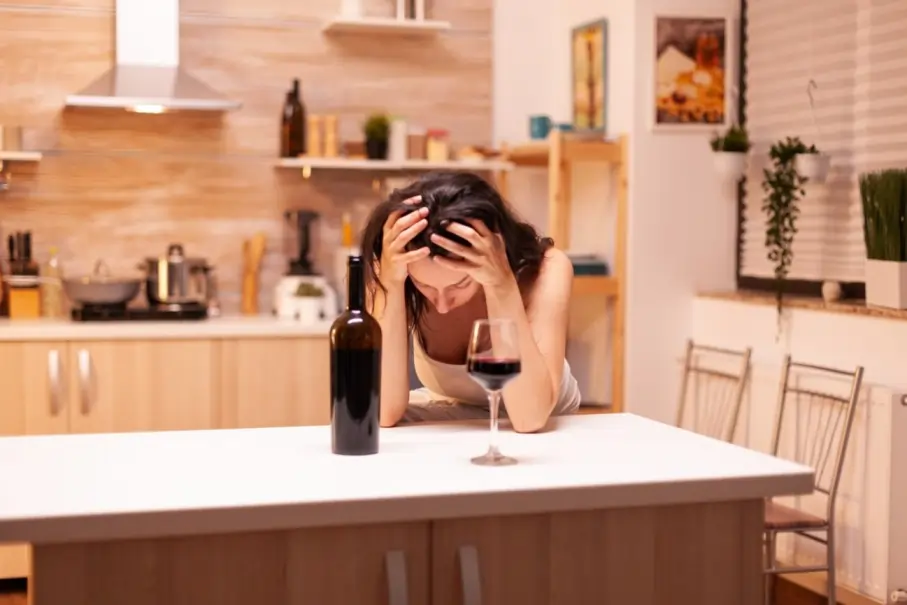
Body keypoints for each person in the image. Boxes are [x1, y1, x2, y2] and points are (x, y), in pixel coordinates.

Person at [359, 171, 581, 433]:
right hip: (461, 417)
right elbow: (383, 410)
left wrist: (501, 284)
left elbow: (529, 418)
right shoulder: (393, 268)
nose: (441, 304)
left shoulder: (548, 269)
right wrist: (392, 286)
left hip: (546, 425)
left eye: (459, 284)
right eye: (425, 286)